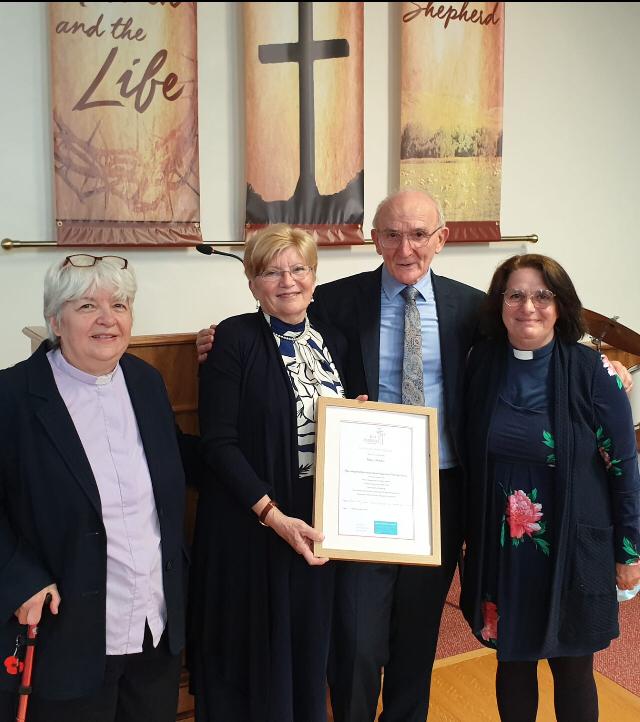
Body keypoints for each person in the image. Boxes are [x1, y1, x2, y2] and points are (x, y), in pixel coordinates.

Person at [195, 192, 633, 722]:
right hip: (359, 491)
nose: (407, 248)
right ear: (375, 240)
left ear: (440, 239)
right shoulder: (333, 301)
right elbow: (278, 326)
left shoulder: (471, 307)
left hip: (441, 491)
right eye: (393, 235)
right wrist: (217, 338)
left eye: (420, 234)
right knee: (356, 638)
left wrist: (602, 363)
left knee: (418, 634)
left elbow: (534, 335)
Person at [0, 254, 190, 722]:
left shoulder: (146, 382)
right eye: (87, 306)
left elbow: (179, 460)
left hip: (153, 626)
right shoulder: (13, 396)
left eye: (119, 305)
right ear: (55, 321)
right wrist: (20, 578)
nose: (108, 318)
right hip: (65, 634)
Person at [460, 254, 640, 722]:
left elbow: (624, 466)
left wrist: (629, 552)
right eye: (516, 295)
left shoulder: (592, 371)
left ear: (561, 306)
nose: (529, 307)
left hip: (573, 545)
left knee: (573, 667)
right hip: (503, 550)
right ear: (500, 304)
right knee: (512, 662)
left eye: (543, 296)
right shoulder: (482, 364)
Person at [188, 224, 353, 722]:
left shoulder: (334, 339)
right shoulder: (232, 339)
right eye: (271, 272)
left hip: (315, 522)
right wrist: (272, 514)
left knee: (306, 653)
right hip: (253, 524)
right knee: (258, 662)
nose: (287, 281)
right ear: (252, 282)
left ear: (314, 276)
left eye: (298, 268)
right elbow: (218, 444)